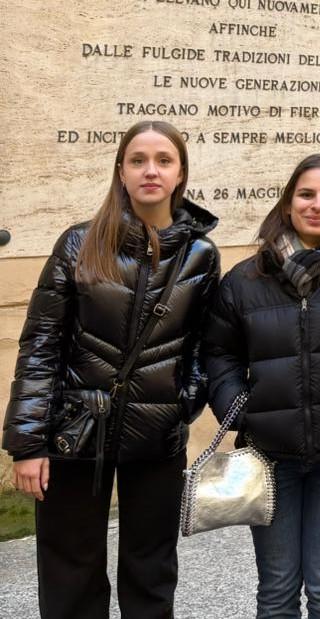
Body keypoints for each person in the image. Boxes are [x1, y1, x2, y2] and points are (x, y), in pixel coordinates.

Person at [3, 120, 220, 618]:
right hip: (76, 431)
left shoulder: (201, 255)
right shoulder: (78, 244)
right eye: (138, 160)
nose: (150, 171)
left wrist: (181, 404)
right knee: (71, 572)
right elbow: (41, 346)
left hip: (158, 435)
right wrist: (28, 443)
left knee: (151, 573)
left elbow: (206, 348)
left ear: (180, 173)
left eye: (163, 161)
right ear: (121, 171)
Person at [203, 154, 320, 618]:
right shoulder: (245, 280)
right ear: (287, 203)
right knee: (278, 587)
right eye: (306, 194)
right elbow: (219, 354)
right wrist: (241, 409)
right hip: (268, 458)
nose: (317, 205)